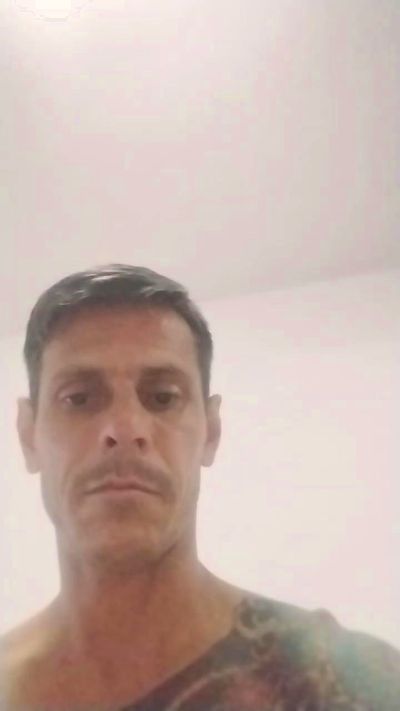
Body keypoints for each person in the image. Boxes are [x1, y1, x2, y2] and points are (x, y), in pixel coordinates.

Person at [1, 264, 399, 711]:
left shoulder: (338, 681)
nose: (125, 429)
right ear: (28, 435)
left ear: (211, 431)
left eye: (163, 397)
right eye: (78, 398)